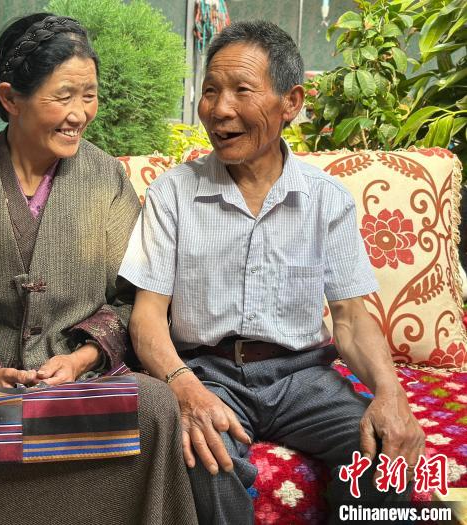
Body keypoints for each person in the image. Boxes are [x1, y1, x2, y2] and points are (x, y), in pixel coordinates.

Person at [119, 20, 425, 524]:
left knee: (384, 458)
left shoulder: (326, 199)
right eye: (210, 91)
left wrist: (392, 396)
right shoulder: (173, 194)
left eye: (242, 90)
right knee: (204, 460)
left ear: (291, 102)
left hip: (304, 376)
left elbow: (350, 319)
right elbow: (146, 318)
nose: (220, 109)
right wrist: (186, 390)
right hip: (208, 373)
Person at [0, 13, 196, 525]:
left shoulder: (106, 180)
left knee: (154, 408)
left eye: (89, 95)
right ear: (11, 99)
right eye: (64, 96)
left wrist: (79, 360)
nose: (80, 114)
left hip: (82, 382)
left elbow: (133, 300)